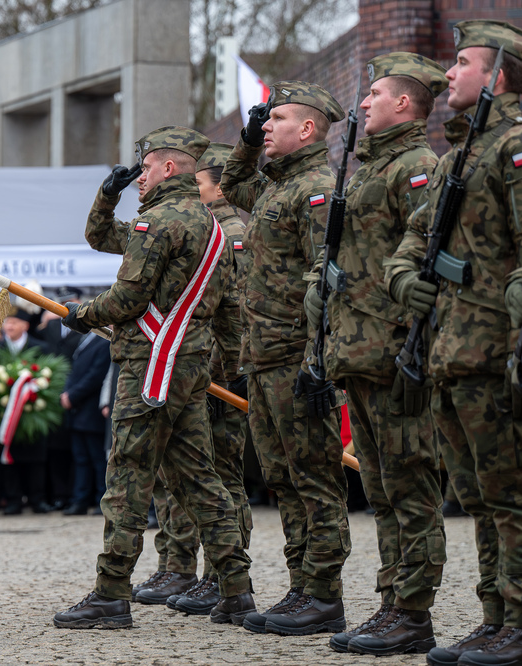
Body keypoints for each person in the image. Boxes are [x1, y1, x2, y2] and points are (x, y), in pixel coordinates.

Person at [54, 126, 253, 629]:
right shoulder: (212, 227)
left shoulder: (156, 224)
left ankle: (110, 591)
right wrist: (109, 194)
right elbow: (102, 237)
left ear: (169, 168)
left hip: (151, 366)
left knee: (127, 477)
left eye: (144, 169)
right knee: (199, 477)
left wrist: (82, 313)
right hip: (190, 367)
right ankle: (236, 587)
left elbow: (126, 301)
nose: (138, 177)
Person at [384, 21, 522, 666]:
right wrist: (406, 276)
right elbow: (412, 241)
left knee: (512, 496)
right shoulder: (458, 157)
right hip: (452, 354)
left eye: (463, 62)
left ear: (497, 76)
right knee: (477, 496)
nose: (450, 73)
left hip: (497, 352)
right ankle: (497, 618)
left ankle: (519, 621)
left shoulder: (515, 148)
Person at [299, 53, 448, 656]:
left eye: (376, 93)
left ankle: (412, 612)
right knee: (382, 491)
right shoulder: (367, 168)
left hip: (392, 352)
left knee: (410, 490)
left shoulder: (417, 165)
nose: (363, 103)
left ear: (404, 103)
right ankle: (392, 603)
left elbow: (423, 257)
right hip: (356, 349)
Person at [221, 82, 352, 636]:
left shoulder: (317, 190)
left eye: (276, 120)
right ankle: (302, 589)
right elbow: (231, 184)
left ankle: (324, 594)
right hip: (265, 359)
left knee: (316, 480)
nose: (266, 126)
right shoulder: (277, 189)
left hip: (297, 359)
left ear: (308, 130)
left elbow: (329, 284)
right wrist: (248, 142)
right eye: (263, 121)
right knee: (282, 478)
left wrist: (318, 362)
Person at [150, 142, 254, 611]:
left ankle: (220, 576)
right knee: (180, 477)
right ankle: (180, 568)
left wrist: (223, 373)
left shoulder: (231, 234)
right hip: (196, 369)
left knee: (221, 477)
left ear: (215, 187)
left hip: (217, 373)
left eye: (198, 184)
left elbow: (231, 313)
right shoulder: (200, 228)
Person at [0, 309, 49, 515]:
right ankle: (13, 499)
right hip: (5, 413)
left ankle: (37, 499)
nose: (9, 326)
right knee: (7, 455)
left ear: (25, 325)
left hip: (33, 411)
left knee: (36, 457)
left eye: (14, 322)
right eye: (6, 322)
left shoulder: (40, 348)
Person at [38, 285, 85, 512]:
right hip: (52, 395)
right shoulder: (51, 326)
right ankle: (58, 494)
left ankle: (75, 494)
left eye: (70, 302)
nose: (65, 306)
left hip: (77, 394)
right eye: (62, 302)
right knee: (55, 449)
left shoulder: (87, 326)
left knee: (76, 449)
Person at [60, 327, 111, 516]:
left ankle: (101, 500)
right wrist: (67, 393)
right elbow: (74, 370)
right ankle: (79, 500)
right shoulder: (86, 338)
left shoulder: (105, 341)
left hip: (91, 408)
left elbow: (96, 375)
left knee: (98, 459)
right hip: (78, 410)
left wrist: (72, 395)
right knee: (81, 459)